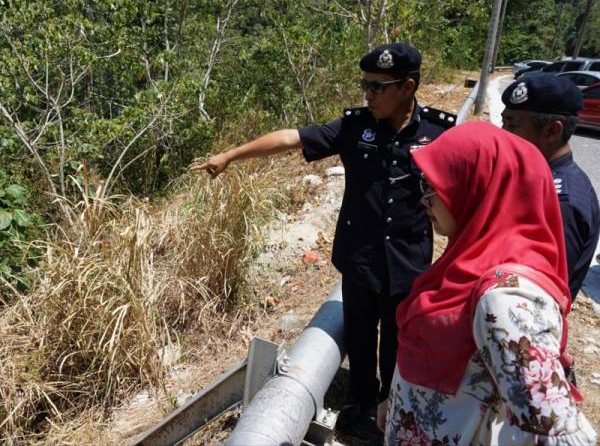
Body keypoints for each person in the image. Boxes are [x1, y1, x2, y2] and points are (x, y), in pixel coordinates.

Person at [190, 43, 456, 426]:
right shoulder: (354, 126)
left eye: (378, 87)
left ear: (408, 86)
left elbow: (469, 191)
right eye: (365, 85)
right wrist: (230, 155)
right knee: (362, 340)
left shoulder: (440, 132)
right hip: (360, 258)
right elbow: (290, 138)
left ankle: (394, 411)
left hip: (408, 262)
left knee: (401, 344)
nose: (368, 94)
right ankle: (362, 406)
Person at [378, 121, 596, 445]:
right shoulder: (468, 262)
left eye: (434, 185)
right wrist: (397, 402)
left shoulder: (504, 299)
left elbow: (557, 434)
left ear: (479, 187)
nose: (424, 199)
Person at [501, 74, 600, 300]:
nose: (502, 133)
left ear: (552, 131)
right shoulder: (538, 178)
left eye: (512, 125)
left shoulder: (560, 202)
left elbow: (537, 293)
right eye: (503, 121)